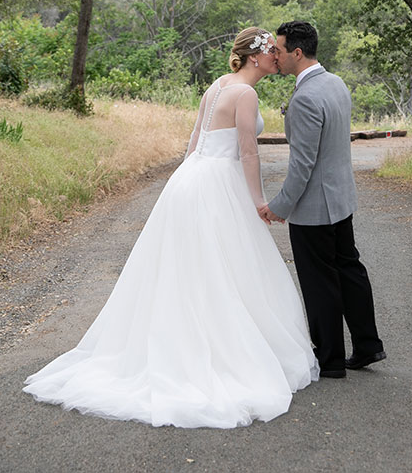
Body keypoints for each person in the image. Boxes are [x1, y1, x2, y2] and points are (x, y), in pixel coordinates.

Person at [24, 27, 318, 428]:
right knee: (223, 268)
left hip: (191, 179)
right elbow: (248, 152)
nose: (276, 58)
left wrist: (182, 182)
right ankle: (215, 353)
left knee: (189, 267)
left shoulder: (216, 86)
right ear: (255, 57)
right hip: (219, 183)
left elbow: (195, 141)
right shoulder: (246, 94)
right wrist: (257, 203)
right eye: (271, 52)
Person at [260, 20, 385, 379]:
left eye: (279, 51)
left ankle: (330, 360)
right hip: (341, 200)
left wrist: (280, 206)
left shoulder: (305, 99)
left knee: (319, 283)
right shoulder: (336, 84)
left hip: (314, 209)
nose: (275, 57)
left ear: (297, 53)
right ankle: (368, 344)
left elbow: (302, 166)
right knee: (349, 270)